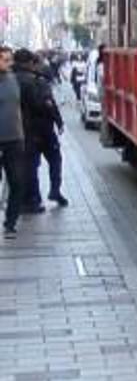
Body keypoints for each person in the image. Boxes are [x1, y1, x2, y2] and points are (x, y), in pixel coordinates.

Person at [15, 50, 64, 212]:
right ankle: (54, 190)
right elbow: (46, 103)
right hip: (43, 129)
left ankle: (32, 199)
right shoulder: (36, 81)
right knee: (55, 159)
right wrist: (58, 121)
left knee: (30, 165)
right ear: (30, 63)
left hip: (23, 131)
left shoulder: (9, 80)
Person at [0, 47, 23, 238]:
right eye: (5, 60)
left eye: (10, 60)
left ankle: (10, 222)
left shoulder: (14, 79)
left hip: (15, 140)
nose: (9, 64)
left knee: (16, 182)